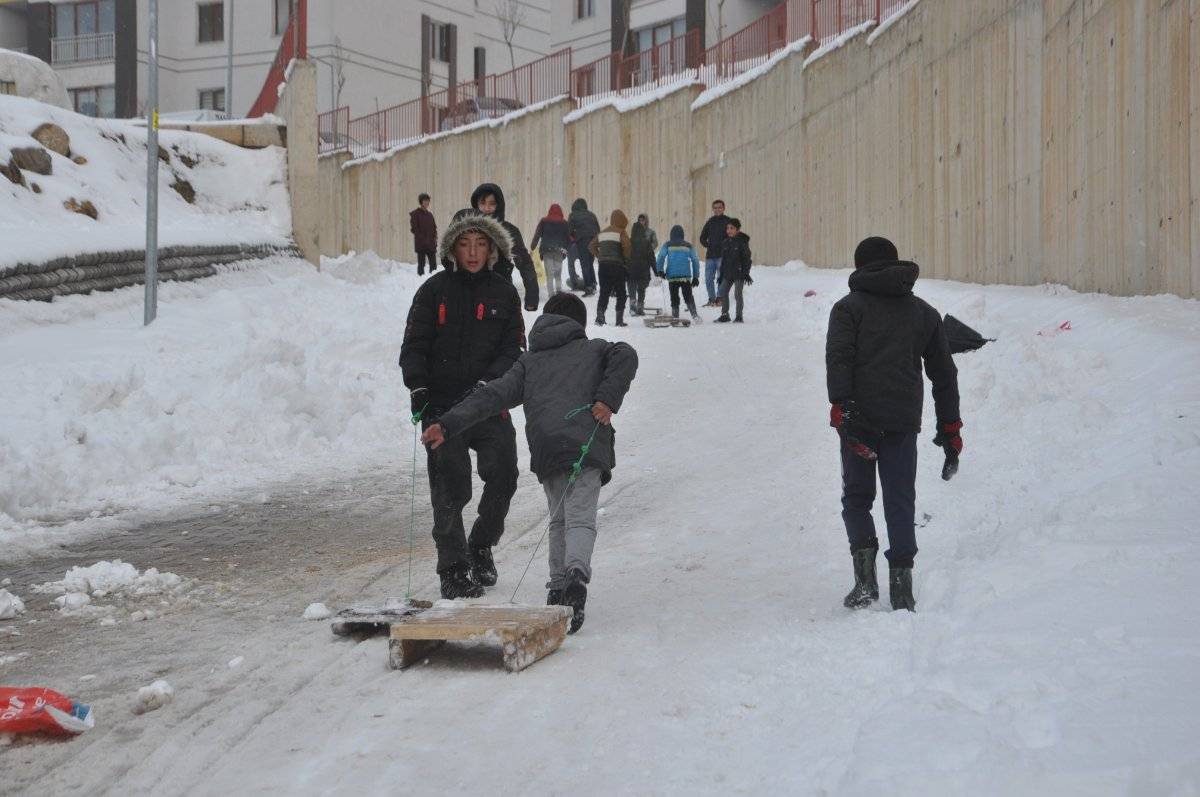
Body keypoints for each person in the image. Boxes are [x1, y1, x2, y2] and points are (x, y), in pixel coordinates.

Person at [422, 293, 638, 633]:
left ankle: (556, 587)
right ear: (580, 325)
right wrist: (606, 399)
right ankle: (575, 578)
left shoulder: (528, 362)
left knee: (559, 519)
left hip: (548, 448)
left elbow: (491, 396)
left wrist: (448, 424)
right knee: (580, 517)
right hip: (585, 443)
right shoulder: (595, 349)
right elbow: (626, 354)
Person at [825, 236, 962, 613]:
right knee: (899, 499)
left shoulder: (847, 309)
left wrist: (843, 408)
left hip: (859, 420)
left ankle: (865, 584)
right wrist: (951, 428)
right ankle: (902, 590)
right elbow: (944, 374)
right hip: (902, 421)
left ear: (859, 266)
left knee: (857, 498)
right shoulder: (923, 313)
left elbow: (839, 359)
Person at [400, 212, 525, 599]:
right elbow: (414, 346)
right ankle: (453, 567)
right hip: (441, 408)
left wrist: (491, 385)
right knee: (450, 488)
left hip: (488, 405)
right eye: (465, 244)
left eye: (481, 244)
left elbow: (514, 349)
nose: (473, 252)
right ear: (452, 248)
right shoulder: (433, 291)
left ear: (492, 249)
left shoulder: (504, 292)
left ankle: (481, 545)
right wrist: (418, 388)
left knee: (504, 474)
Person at [449, 183, 539, 311]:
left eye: (492, 204)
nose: (486, 208)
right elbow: (451, 258)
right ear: (476, 205)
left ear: (499, 205)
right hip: (470, 295)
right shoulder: (468, 229)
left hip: (500, 296)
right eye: (483, 203)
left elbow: (525, 264)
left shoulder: (509, 231)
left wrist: (532, 296)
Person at [590, 210, 632, 327]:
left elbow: (591, 246)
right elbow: (627, 245)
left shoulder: (603, 232)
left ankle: (600, 316)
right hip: (617, 266)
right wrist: (626, 258)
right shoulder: (621, 232)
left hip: (603, 267)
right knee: (621, 293)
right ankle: (619, 320)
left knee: (604, 292)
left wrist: (599, 256)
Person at [654, 225, 702, 323]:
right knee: (688, 296)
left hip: (672, 276)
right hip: (685, 276)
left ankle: (675, 317)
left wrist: (660, 270)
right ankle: (695, 315)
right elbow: (695, 260)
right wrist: (696, 276)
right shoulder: (688, 245)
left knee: (674, 297)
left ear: (671, 235)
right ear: (682, 235)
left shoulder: (667, 245)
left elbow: (661, 257)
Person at [715, 218, 752, 323]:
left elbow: (747, 259)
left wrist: (746, 273)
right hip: (728, 273)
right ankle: (725, 314)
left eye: (732, 228)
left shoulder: (742, 242)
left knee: (737, 294)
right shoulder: (725, 242)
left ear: (738, 230)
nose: (729, 230)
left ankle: (739, 316)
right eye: (728, 228)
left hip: (739, 273)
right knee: (723, 291)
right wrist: (721, 274)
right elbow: (723, 260)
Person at [530, 203, 571, 296]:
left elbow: (537, 234)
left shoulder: (544, 221)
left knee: (549, 275)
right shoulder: (564, 223)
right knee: (558, 274)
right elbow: (569, 238)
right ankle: (559, 291)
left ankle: (551, 295)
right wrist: (566, 249)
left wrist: (533, 246)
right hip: (559, 251)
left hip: (546, 251)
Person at [698, 199, 731, 307]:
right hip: (710, 256)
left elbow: (733, 237)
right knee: (708, 279)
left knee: (721, 278)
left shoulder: (728, 221)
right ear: (713, 209)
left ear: (723, 208)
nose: (717, 209)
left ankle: (720, 299)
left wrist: (726, 248)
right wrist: (708, 245)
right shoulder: (710, 221)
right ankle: (711, 299)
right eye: (715, 208)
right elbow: (702, 237)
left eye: (719, 207)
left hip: (722, 256)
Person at [568, 198, 601, 296]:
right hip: (594, 240)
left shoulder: (573, 215)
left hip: (582, 240)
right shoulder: (592, 215)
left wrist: (575, 237)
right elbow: (598, 229)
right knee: (590, 263)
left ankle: (589, 287)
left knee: (584, 264)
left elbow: (569, 231)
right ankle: (593, 283)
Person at [628, 214, 658, 316]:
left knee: (631, 286)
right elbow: (651, 257)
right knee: (641, 288)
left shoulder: (629, 242)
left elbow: (624, 256)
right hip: (643, 270)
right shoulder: (646, 242)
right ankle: (640, 307)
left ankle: (632, 306)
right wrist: (656, 271)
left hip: (631, 270)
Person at [409, 193, 437, 276]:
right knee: (421, 264)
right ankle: (420, 281)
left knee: (433, 265)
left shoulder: (430, 215)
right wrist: (423, 239)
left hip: (431, 244)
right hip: (421, 244)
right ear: (421, 202)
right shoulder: (415, 214)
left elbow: (434, 228)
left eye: (428, 201)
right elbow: (414, 229)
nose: (427, 202)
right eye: (425, 201)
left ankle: (433, 281)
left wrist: (435, 238)